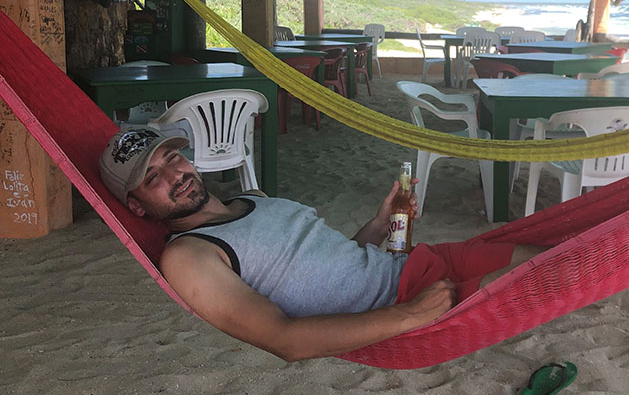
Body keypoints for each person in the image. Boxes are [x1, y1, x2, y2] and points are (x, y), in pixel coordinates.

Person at [99, 127, 544, 362]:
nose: (175, 176)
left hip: (422, 263)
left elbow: (335, 261)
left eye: (172, 158)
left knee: (555, 250)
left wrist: (383, 221)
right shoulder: (190, 255)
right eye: (152, 179)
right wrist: (405, 315)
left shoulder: (252, 199)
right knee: (556, 272)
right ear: (137, 207)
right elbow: (285, 340)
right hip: (406, 303)